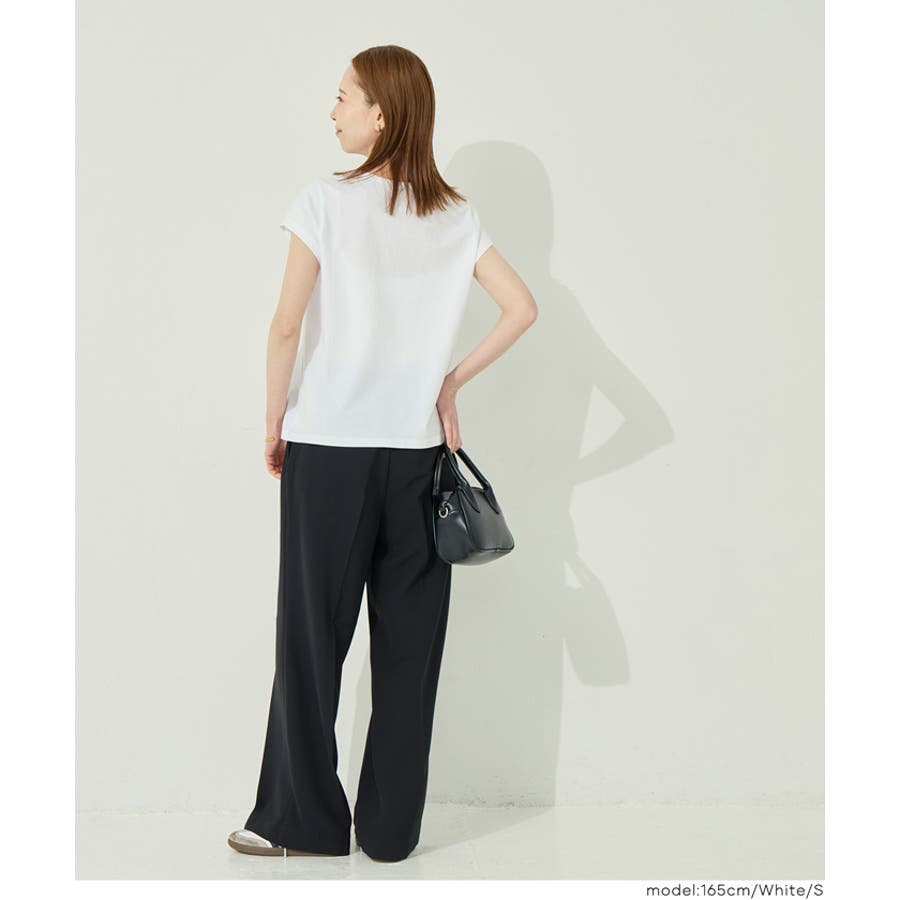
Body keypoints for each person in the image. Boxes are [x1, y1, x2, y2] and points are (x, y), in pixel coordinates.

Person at [227, 45, 538, 864]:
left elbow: (286, 326)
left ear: (382, 114)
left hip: (329, 449)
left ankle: (301, 823)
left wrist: (273, 420)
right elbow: (521, 307)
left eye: (343, 98)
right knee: (410, 649)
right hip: (416, 459)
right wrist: (448, 383)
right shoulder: (456, 216)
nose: (332, 112)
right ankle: (392, 834)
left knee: (312, 639)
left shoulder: (325, 202)